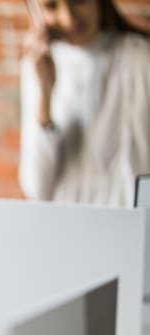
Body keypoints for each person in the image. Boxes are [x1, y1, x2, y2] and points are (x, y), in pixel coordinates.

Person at [19, 0, 150, 207]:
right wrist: (45, 94)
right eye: (51, 6)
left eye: (78, 0)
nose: (68, 18)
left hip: (132, 226)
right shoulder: (38, 67)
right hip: (68, 227)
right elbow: (36, 189)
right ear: (35, 11)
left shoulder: (141, 58)